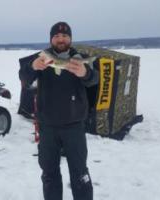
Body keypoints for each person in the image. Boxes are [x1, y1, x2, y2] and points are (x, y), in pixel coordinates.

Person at [19, 22, 98, 200]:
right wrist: (32, 67)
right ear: (51, 39)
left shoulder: (80, 58)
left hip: (74, 126)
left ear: (70, 38)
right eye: (56, 36)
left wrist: (85, 73)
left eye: (64, 36)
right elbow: (23, 78)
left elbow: (94, 80)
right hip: (48, 126)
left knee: (80, 173)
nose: (60, 39)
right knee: (49, 172)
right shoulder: (41, 58)